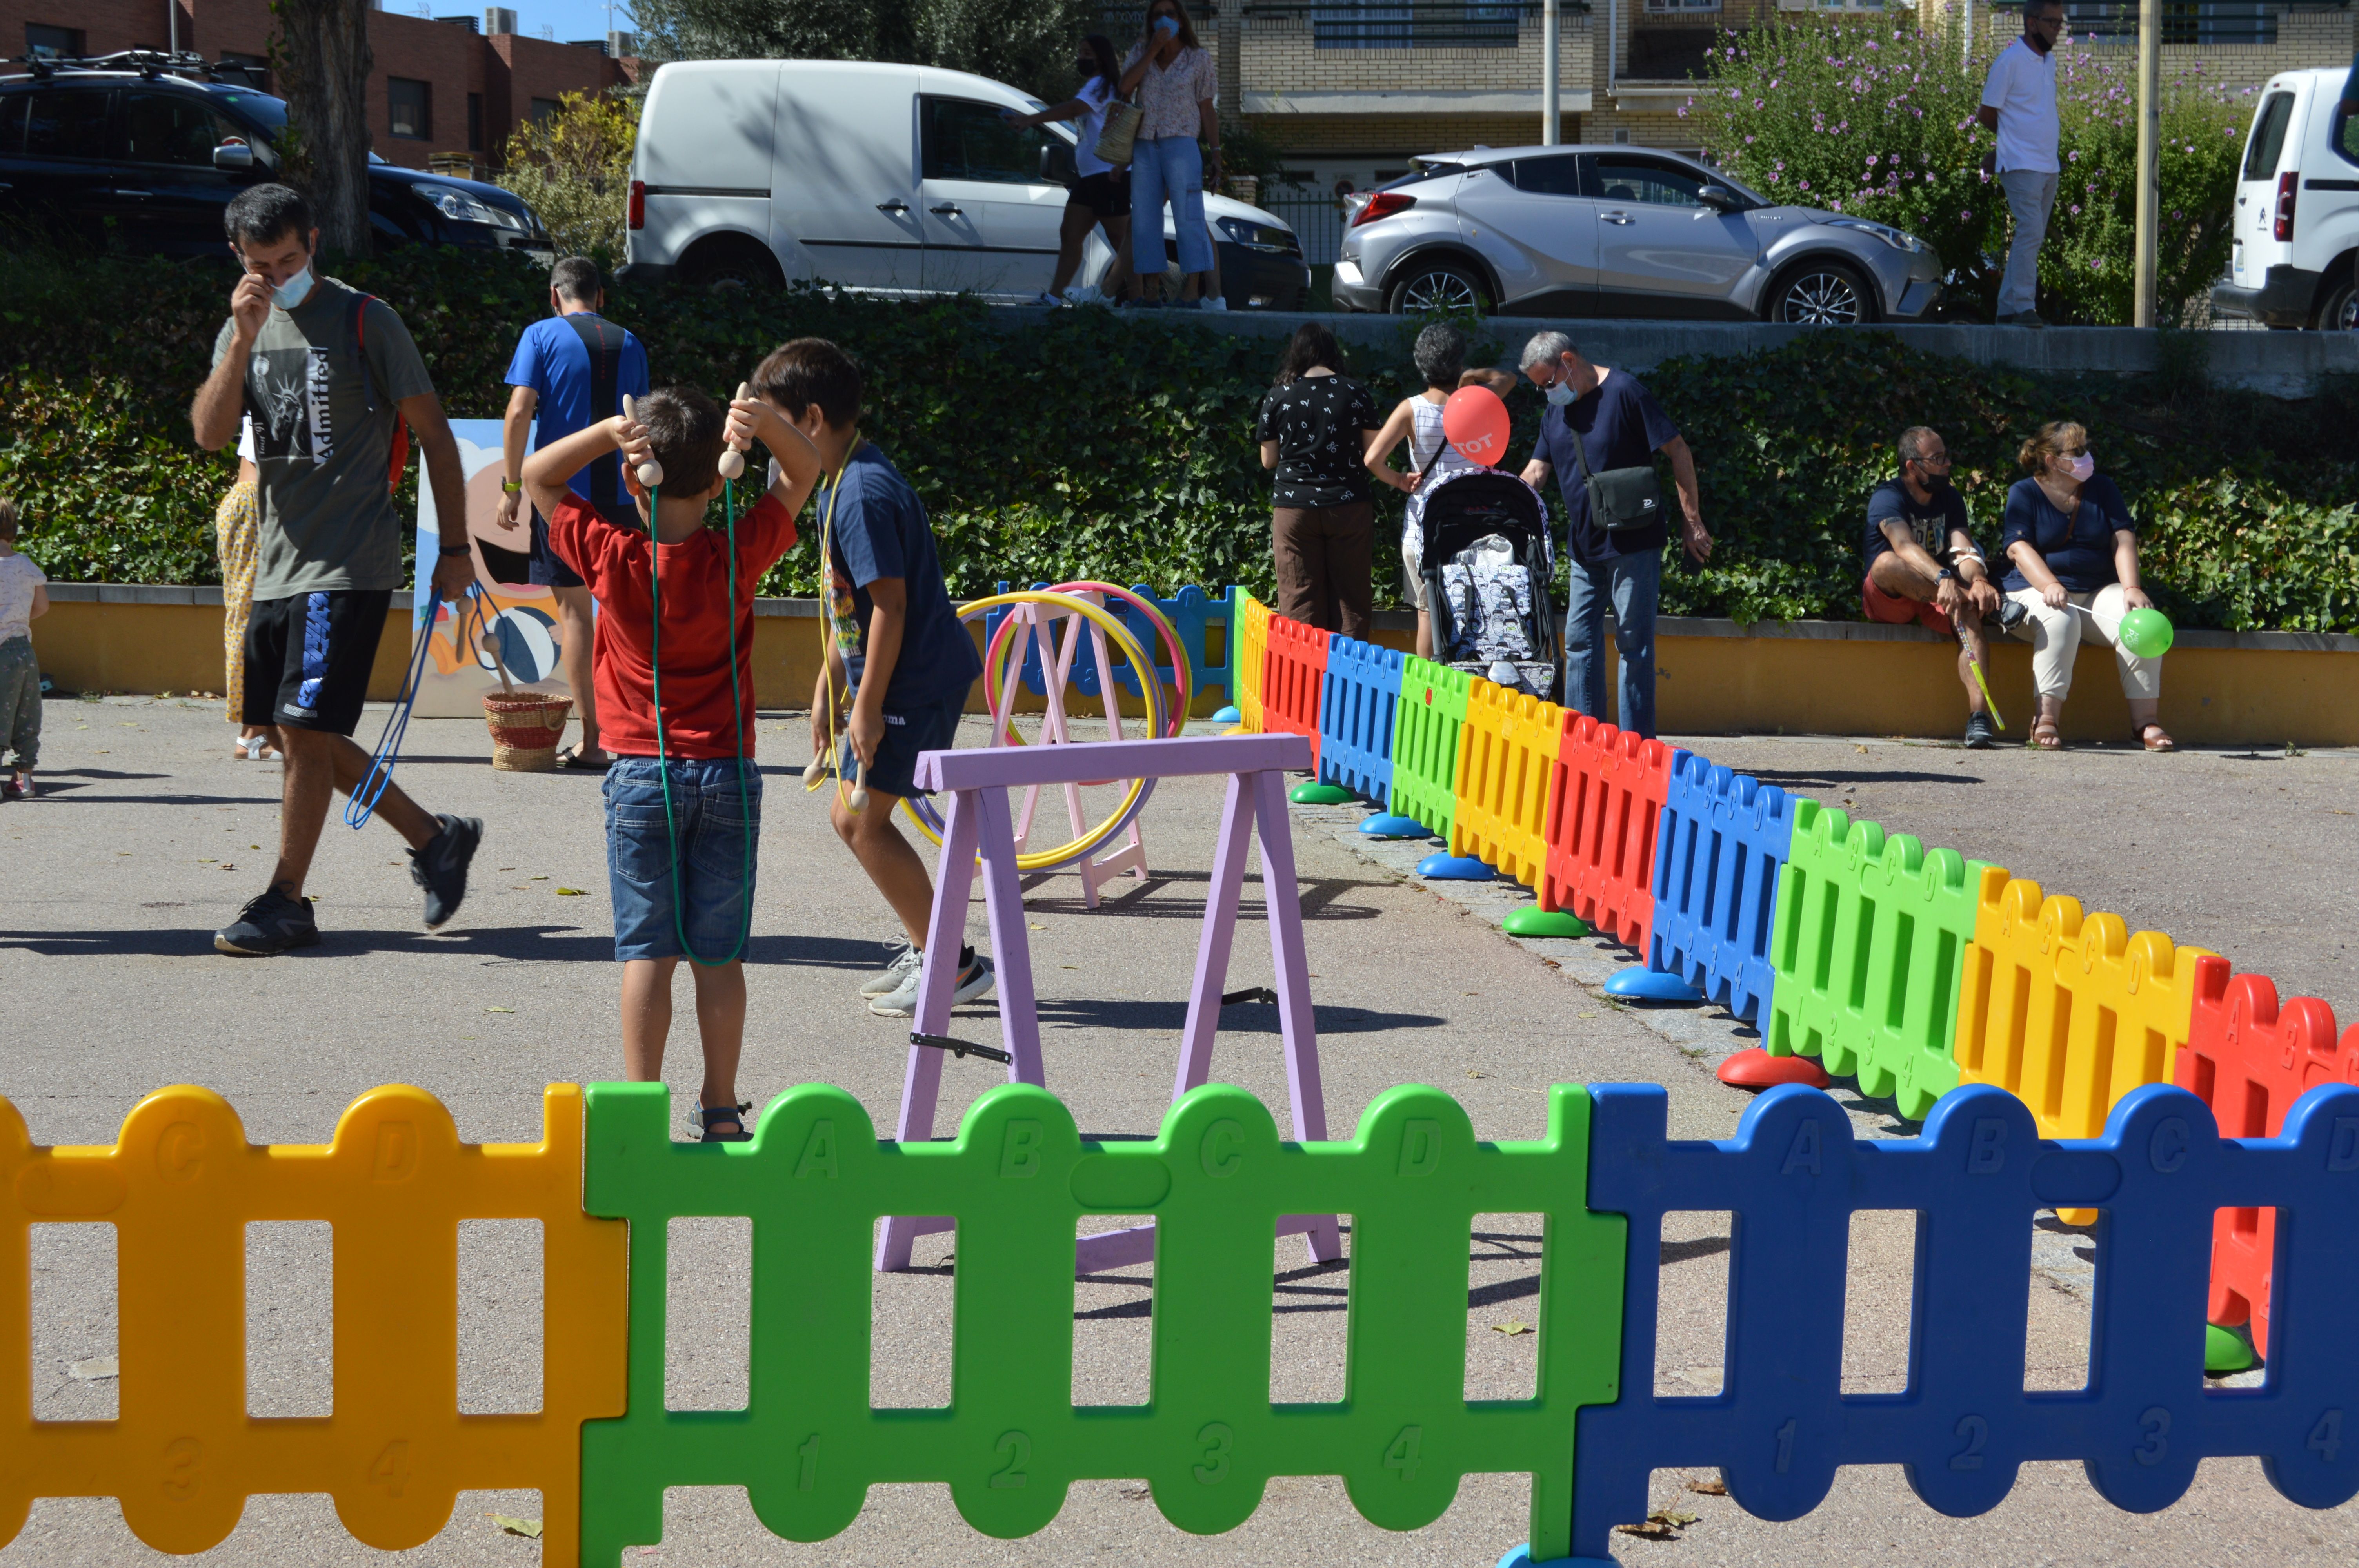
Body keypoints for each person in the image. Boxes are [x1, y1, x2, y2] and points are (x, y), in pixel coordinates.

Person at [189, 183, 483, 956]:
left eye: (290, 258)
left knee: (302, 728)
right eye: (262, 263)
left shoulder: (365, 318)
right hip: (279, 566)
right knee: (298, 739)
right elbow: (213, 435)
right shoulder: (241, 330)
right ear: (238, 258)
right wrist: (244, 338)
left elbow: (436, 438)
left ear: (313, 241)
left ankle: (285, 899)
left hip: (348, 561)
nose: (279, 272)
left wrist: (453, 552)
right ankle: (434, 837)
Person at [522, 387, 816, 1142]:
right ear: (721, 478)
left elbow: (536, 477)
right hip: (726, 775)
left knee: (646, 952)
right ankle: (720, 1106)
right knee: (717, 958)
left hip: (639, 779)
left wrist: (607, 431)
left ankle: (639, 1113)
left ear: (633, 476)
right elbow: (805, 471)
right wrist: (764, 426)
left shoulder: (609, 554)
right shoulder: (737, 552)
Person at [748, 338, 994, 1019]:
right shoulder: (845, 477)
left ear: (813, 419)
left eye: (772, 423)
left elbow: (890, 604)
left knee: (858, 822)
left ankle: (953, 965)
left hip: (913, 684)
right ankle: (941, 954)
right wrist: (831, 686)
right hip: (902, 681)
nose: (768, 443)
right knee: (853, 818)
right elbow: (848, 605)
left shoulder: (859, 492)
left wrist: (867, 705)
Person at [1516, 332, 1711, 740]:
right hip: (1585, 549)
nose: (1544, 393)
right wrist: (1501, 502)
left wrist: (1691, 520)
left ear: (1568, 360)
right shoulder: (1555, 414)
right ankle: (1583, 743)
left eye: (1547, 383)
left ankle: (1636, 746)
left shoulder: (1625, 392)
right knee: (1580, 645)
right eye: (1538, 387)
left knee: (1633, 646)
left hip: (1634, 544)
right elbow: (1536, 472)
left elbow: (1678, 450)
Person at [497, 255, 651, 770]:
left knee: (575, 616)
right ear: (602, 297)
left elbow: (520, 409)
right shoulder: (631, 342)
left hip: (561, 498)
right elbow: (642, 421)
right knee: (628, 616)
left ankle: (594, 743)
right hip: (627, 498)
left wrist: (513, 484)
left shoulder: (540, 335)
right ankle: (642, 736)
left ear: (554, 295)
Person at [1999, 421, 2173, 752]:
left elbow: (2123, 538)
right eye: (2077, 453)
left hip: (2094, 592)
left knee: (2141, 622)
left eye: (2086, 449)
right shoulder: (2024, 493)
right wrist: (2049, 583)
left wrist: (2131, 588)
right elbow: (2018, 549)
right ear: (2052, 461)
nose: (2086, 457)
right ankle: (2046, 719)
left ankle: (2145, 723)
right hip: (2034, 590)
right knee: (2061, 620)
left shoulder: (2103, 488)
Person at [1364, 323, 1519, 659]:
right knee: (1476, 616)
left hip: (1425, 528)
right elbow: (1509, 378)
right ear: (1459, 362)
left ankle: (1426, 697)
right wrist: (1473, 374)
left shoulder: (1411, 409)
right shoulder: (1479, 401)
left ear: (1421, 366)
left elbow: (1373, 459)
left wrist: (1399, 480)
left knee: (1427, 615)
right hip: (1473, 528)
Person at [1863, 426, 2021, 749]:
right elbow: (1904, 545)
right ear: (1912, 466)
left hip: (1939, 596)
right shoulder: (1887, 497)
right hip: (1894, 596)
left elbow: (1963, 549)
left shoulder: (1950, 497)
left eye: (1946, 455)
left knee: (1968, 613)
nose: (1947, 464)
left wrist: (1977, 579)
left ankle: (1979, 718)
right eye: (1937, 458)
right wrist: (1944, 579)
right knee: (1886, 563)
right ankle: (1987, 604)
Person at [1257, 324, 1383, 641]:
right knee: (1351, 598)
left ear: (1296, 354)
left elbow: (1268, 460)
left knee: (1299, 597)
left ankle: (1306, 684)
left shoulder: (1279, 396)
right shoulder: (1356, 392)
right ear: (1333, 352)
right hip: (1349, 505)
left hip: (1294, 507)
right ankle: (1349, 683)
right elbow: (1374, 454)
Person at [1003, 35, 1133, 307]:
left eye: (1087, 53)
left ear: (1102, 57)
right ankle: (1054, 297)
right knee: (1071, 235)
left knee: (1122, 240)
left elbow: (1073, 109)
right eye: (1080, 52)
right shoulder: (1094, 85)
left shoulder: (1103, 86)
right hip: (1090, 178)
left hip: (1110, 176)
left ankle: (1141, 297)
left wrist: (1030, 120)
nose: (1081, 58)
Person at [1120, 0, 1221, 309]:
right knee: (1145, 218)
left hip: (1181, 143)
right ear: (1150, 21)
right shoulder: (1141, 52)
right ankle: (1151, 290)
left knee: (1189, 215)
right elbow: (1124, 87)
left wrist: (1217, 153)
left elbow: (1207, 108)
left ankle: (1192, 290)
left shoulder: (1197, 58)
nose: (1164, 19)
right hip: (1145, 144)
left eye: (1171, 13)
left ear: (1182, 19)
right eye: (1158, 14)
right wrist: (1153, 49)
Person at [1978, 0, 2064, 328]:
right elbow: (1986, 113)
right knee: (2029, 232)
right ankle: (2025, 306)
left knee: (2031, 238)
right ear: (2032, 23)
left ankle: (2006, 310)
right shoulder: (2010, 62)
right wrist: (2008, 142)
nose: (2058, 28)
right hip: (2020, 165)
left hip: (2048, 166)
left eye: (2060, 22)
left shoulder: (2050, 62)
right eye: (2051, 22)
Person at [217, 417, 281, 760]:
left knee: (244, 612)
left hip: (242, 502)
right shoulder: (279, 393)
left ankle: (255, 729)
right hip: (258, 504)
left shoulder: (264, 384)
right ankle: (254, 731)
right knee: (257, 615)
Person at [0, 499, 46, 802]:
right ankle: (25, 780)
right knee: (25, 714)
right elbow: (41, 607)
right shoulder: (27, 565)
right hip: (22, 651)